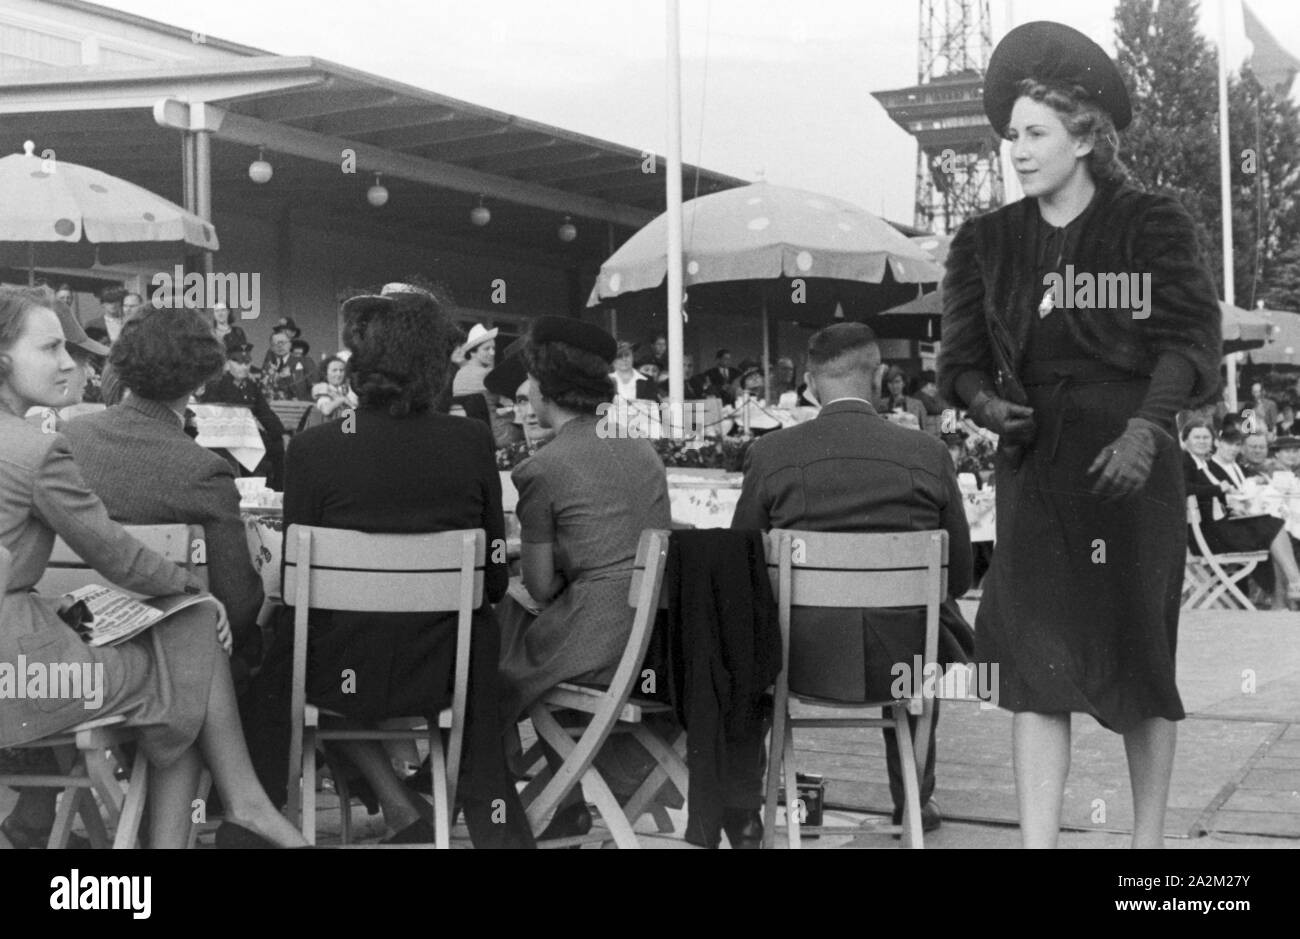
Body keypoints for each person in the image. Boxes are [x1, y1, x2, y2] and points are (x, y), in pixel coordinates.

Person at [937, 21, 1225, 848]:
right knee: (1033, 673)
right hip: (1036, 466)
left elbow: (1187, 340)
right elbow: (959, 362)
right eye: (1010, 137)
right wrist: (985, 405)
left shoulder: (1153, 221)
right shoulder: (987, 243)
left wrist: (1147, 428)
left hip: (1131, 468)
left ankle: (1148, 847)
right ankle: (1037, 844)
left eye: (1035, 134)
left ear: (1085, 135)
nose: (1018, 152)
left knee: (1139, 657)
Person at [0, 285, 306, 849]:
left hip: (30, 654)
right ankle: (245, 807)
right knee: (189, 653)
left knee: (184, 646)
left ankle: (52, 816)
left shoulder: (64, 436)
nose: (70, 363)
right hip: (21, 671)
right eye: (51, 349)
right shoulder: (41, 451)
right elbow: (116, 553)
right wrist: (195, 592)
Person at [245, 287, 533, 848]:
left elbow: (296, 587)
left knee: (277, 650)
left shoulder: (314, 448)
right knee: (478, 633)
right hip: (443, 673)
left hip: (329, 668)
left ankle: (255, 818)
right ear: (431, 367)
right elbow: (494, 581)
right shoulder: (469, 441)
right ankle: (491, 826)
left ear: (358, 364)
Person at [734, 323, 974, 837]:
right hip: (903, 661)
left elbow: (743, 563)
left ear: (810, 381)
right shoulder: (928, 454)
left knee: (744, 626)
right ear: (880, 374)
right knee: (929, 624)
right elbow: (962, 575)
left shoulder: (773, 453)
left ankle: (747, 811)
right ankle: (913, 800)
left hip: (796, 660)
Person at [495, 316, 672, 838]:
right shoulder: (642, 449)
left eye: (526, 380)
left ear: (546, 389)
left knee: (502, 618)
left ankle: (496, 772)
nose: (522, 392)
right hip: (654, 637)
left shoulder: (542, 467)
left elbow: (543, 584)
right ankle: (557, 788)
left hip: (597, 643)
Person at [62, 306, 266, 684]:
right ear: (200, 378)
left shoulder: (70, 437)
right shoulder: (202, 469)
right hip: (172, 659)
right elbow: (238, 606)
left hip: (74, 646)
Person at [1183, 422, 1300, 609]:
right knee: (1274, 527)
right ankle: (1291, 586)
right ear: (1185, 440)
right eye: (1197, 437)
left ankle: (1286, 593)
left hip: (1216, 528)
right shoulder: (1187, 462)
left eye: (1205, 437)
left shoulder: (1202, 464)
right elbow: (1185, 488)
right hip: (1209, 535)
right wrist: (1219, 489)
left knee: (1274, 527)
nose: (1202, 442)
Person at [201, 350, 287, 490]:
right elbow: (210, 412)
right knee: (257, 450)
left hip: (249, 432)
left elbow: (264, 412)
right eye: (239, 363)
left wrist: (281, 433)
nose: (244, 367)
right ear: (228, 365)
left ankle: (277, 490)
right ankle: (253, 487)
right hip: (225, 434)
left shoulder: (251, 386)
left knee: (277, 445)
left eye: (247, 363)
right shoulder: (216, 385)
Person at [260, 325, 315, 401]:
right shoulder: (268, 366)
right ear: (272, 348)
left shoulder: (305, 361)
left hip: (300, 408)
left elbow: (314, 388)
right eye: (275, 343)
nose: (280, 346)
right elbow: (264, 390)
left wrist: (289, 378)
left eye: (283, 342)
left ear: (290, 344)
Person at [309, 355, 357, 422]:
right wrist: (342, 399)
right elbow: (326, 410)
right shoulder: (323, 389)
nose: (338, 374)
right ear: (325, 373)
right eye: (334, 370)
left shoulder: (346, 388)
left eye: (341, 370)